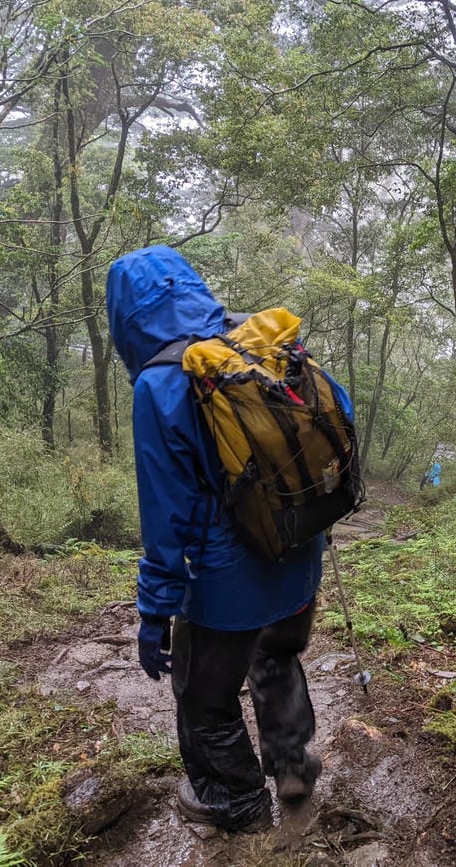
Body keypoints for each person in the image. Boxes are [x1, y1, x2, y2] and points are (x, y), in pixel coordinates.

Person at [106, 245, 350, 832]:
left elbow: (168, 515)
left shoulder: (162, 382)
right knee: (279, 654)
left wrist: (154, 609)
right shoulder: (263, 341)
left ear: (125, 316)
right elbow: (334, 412)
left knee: (204, 699)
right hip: (298, 550)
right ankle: (291, 764)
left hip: (226, 580)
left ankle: (233, 803)